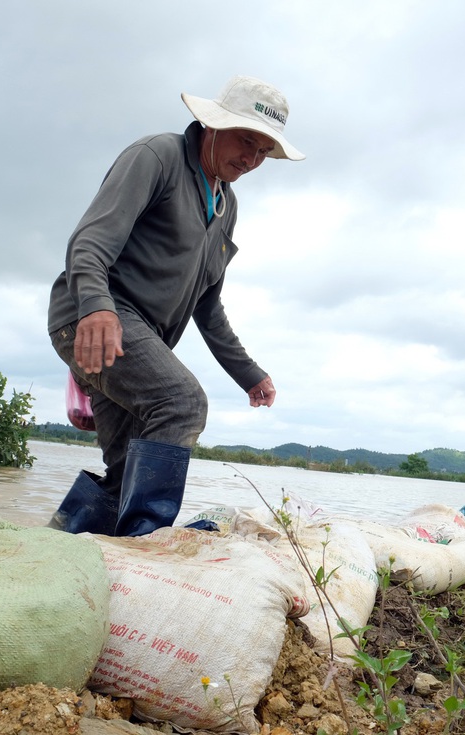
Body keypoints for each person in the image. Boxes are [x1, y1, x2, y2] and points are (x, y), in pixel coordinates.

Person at [45, 75, 304, 537]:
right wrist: (96, 308)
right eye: (246, 141)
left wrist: (249, 373)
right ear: (213, 125)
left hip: (137, 339)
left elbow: (208, 306)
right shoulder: (157, 157)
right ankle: (148, 548)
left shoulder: (226, 204)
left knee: (127, 468)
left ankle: (62, 547)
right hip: (90, 316)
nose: (251, 159)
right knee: (181, 402)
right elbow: (89, 241)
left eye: (264, 152)